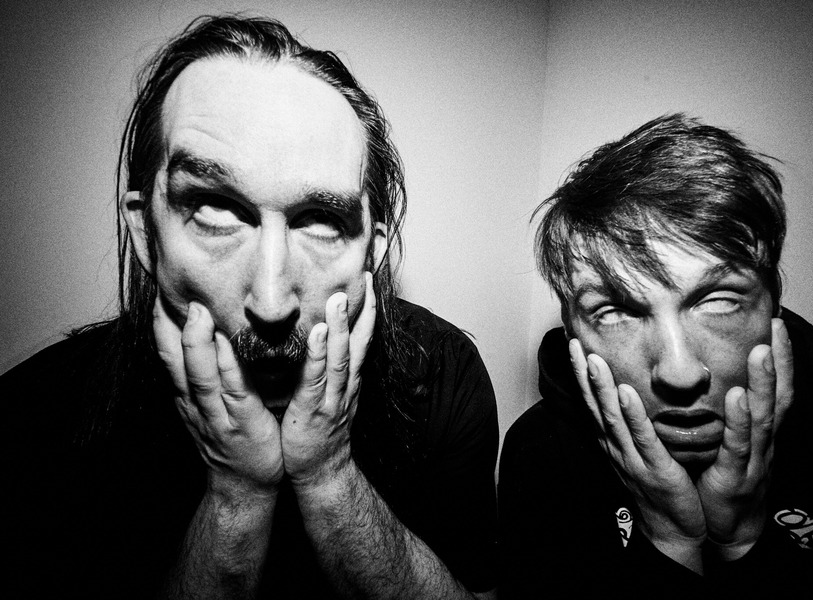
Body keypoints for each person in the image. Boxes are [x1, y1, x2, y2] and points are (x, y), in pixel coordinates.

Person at [3, 15, 498, 599]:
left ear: (374, 248)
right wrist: (238, 492)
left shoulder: (443, 376)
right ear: (144, 232)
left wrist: (330, 473)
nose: (270, 301)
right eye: (215, 210)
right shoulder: (34, 419)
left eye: (321, 220)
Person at [498, 113, 813, 598]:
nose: (680, 372)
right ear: (572, 332)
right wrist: (669, 541)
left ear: (773, 302)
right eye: (615, 311)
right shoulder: (542, 456)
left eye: (718, 301)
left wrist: (743, 540)